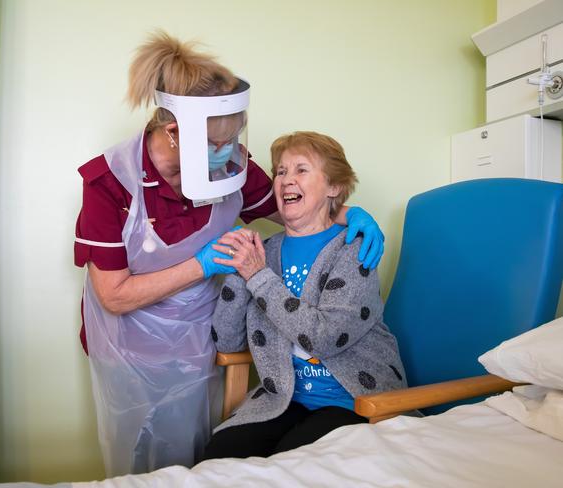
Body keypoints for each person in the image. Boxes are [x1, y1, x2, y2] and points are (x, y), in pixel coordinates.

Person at [73, 32, 385, 475]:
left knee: (196, 456)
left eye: (234, 139)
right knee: (138, 461)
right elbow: (115, 295)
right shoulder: (110, 185)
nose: (230, 155)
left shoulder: (230, 164)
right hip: (129, 345)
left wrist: (350, 211)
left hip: (200, 341)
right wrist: (202, 265)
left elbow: (291, 207)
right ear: (174, 133)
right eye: (217, 144)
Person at [203, 131, 407, 460]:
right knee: (219, 454)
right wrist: (238, 269)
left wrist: (257, 275)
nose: (286, 180)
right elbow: (226, 341)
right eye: (280, 172)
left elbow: (323, 337)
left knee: (289, 465)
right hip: (285, 398)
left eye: (301, 170)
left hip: (355, 399)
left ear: (334, 187)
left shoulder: (354, 250)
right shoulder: (265, 252)